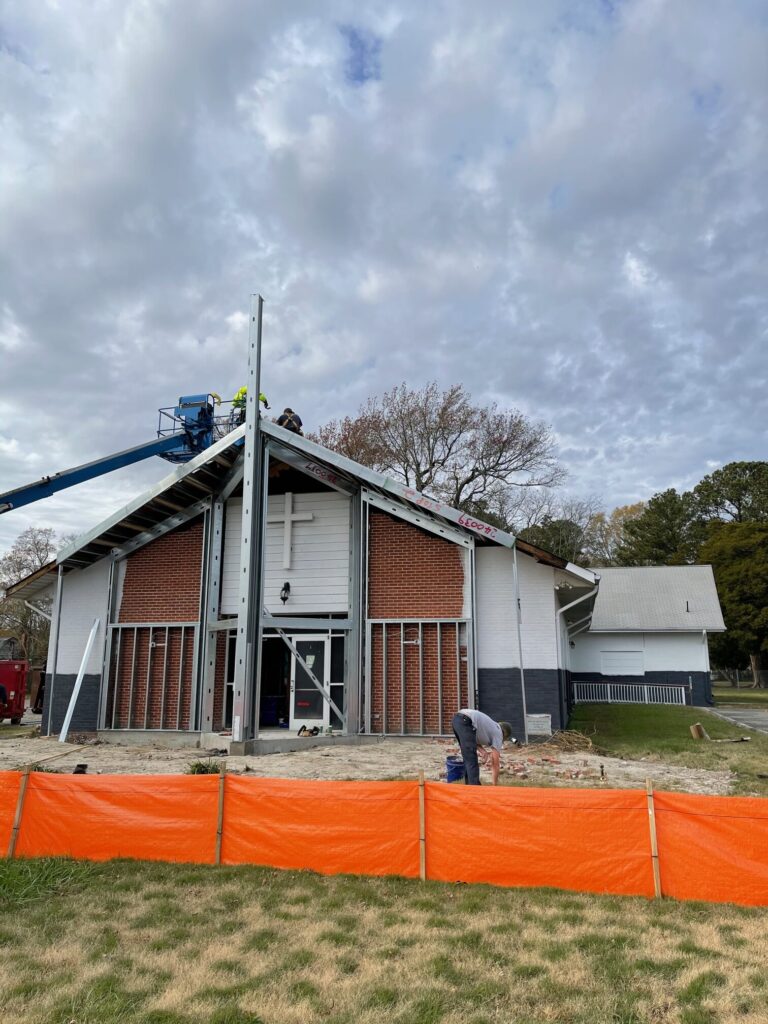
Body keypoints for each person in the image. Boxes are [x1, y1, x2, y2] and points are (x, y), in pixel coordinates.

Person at [451, 708, 513, 786]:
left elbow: (472, 737)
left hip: (457, 719)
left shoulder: (491, 726)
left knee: (468, 758)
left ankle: (469, 788)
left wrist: (483, 751)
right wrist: (494, 785)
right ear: (505, 735)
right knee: (472, 760)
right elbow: (495, 762)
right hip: (466, 721)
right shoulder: (499, 733)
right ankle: (476, 790)